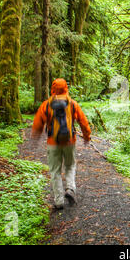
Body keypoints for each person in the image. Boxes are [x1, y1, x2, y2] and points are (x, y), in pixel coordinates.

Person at [32, 79, 91, 210]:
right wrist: (87, 136)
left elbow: (37, 124)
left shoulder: (46, 105)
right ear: (66, 88)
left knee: (55, 171)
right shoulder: (72, 104)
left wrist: (35, 137)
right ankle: (70, 188)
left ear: (52, 89)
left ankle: (59, 201)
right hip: (70, 141)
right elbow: (83, 121)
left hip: (53, 142)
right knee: (70, 166)